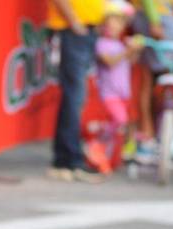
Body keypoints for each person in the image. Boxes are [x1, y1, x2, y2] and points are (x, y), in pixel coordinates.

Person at [47, 0, 108, 183]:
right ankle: (71, 161)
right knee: (75, 96)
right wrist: (74, 22)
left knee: (75, 97)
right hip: (73, 29)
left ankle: (64, 160)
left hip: (85, 29)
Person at [130, 0, 173, 164]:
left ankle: (169, 134)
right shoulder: (143, 9)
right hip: (154, 38)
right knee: (148, 84)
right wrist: (154, 22)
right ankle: (147, 135)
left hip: (172, 45)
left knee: (171, 87)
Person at [94, 1, 143, 167]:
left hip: (124, 93)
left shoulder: (121, 44)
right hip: (109, 93)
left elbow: (130, 61)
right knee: (120, 120)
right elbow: (110, 61)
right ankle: (98, 140)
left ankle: (112, 157)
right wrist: (128, 51)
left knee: (122, 126)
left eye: (119, 22)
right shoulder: (101, 43)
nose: (114, 26)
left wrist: (136, 50)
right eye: (111, 22)